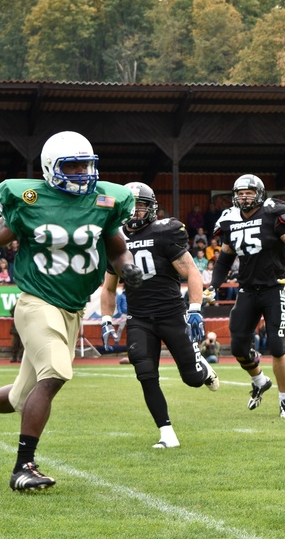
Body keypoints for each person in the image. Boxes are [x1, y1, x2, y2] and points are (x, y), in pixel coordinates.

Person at [0, 131, 140, 491]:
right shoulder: (30, 198)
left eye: (88, 164)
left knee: (20, 397)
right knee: (56, 373)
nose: (84, 172)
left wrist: (126, 267)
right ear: (52, 169)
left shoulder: (105, 201)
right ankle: (23, 467)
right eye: (74, 165)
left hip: (72, 309)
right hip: (36, 301)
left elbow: (117, 248)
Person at [99, 182, 218, 449]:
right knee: (144, 369)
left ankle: (203, 369)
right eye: (130, 207)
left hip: (171, 313)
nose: (134, 213)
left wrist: (196, 309)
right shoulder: (116, 239)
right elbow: (108, 288)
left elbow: (192, 273)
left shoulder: (165, 232)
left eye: (140, 207)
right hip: (139, 317)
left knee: (192, 378)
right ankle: (166, 433)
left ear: (151, 209)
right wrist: (106, 320)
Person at [206, 174, 285, 418]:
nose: (244, 197)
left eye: (249, 192)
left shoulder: (273, 213)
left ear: (260, 194)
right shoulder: (230, 219)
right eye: (240, 193)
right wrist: (214, 285)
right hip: (248, 289)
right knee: (238, 346)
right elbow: (225, 259)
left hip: (274, 288)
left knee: (276, 344)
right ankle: (260, 380)